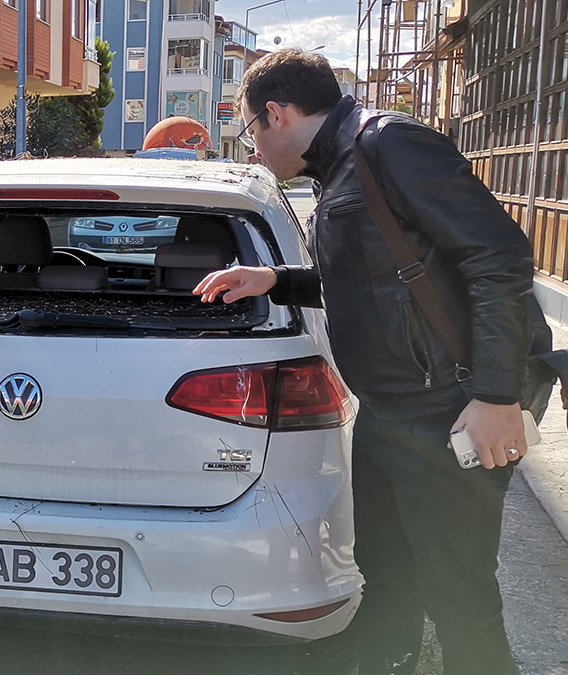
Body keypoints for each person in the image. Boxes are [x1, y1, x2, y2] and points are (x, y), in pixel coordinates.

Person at [194, 50, 538, 674]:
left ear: (277, 113)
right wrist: (275, 279)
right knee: (386, 576)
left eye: (251, 131)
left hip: (447, 411)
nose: (254, 149)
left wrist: (495, 396)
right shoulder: (339, 166)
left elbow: (500, 261)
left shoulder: (390, 145)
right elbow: (370, 278)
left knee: (459, 598)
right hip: (387, 414)